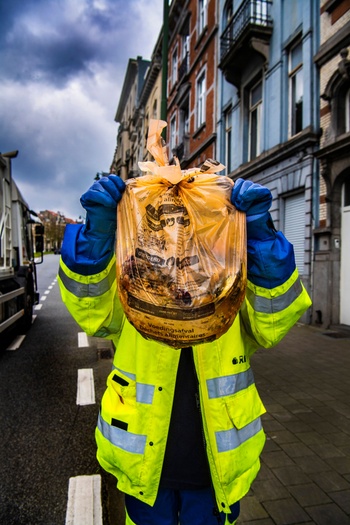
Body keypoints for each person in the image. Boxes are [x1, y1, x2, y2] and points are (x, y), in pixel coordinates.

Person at [58, 173, 311, 525]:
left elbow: (272, 324)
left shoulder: (229, 283)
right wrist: (93, 245)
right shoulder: (136, 282)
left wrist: (263, 244)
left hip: (216, 470)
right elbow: (92, 313)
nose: (180, 245)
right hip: (143, 467)